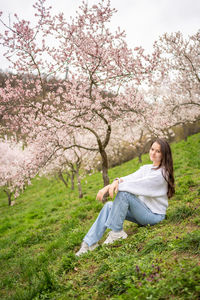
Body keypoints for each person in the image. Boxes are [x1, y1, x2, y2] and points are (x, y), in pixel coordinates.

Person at [76, 138, 175, 256]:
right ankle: (89, 243)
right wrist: (114, 183)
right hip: (142, 212)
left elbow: (134, 185)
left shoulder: (162, 174)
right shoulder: (146, 168)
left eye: (158, 151)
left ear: (164, 154)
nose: (153, 153)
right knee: (108, 206)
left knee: (125, 194)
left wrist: (110, 187)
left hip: (153, 216)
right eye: (152, 149)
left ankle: (117, 233)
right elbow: (129, 178)